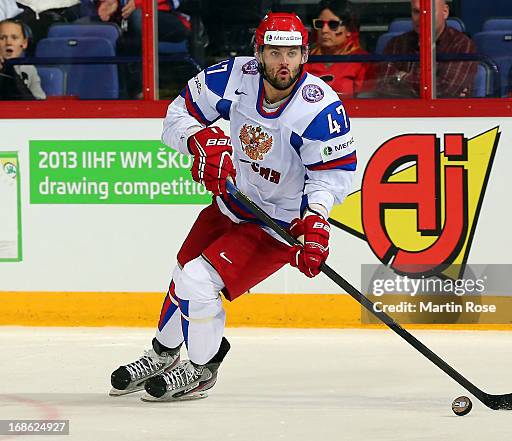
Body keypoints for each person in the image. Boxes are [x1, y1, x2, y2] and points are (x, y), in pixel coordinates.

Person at [109, 12, 356, 402]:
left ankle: (202, 369)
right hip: (233, 201)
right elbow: (177, 116)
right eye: (274, 52)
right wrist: (200, 142)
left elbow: (333, 175)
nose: (284, 63)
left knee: (198, 280)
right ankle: (163, 353)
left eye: (292, 53)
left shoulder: (319, 107)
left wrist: (316, 222)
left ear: (305, 55)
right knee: (182, 275)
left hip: (278, 223)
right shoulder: (233, 77)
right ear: (258, 53)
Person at [378, 0, 477, 98]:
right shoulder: (396, 43)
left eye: (429, 11)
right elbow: (382, 87)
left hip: (445, 112)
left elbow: (445, 90)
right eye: (416, 12)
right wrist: (431, 83)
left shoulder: (461, 44)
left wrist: (400, 77)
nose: (421, 18)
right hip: (402, 111)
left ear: (445, 12)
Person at [305, 0, 373, 97]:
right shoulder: (305, 59)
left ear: (349, 29)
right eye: (319, 24)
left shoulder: (363, 63)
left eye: (333, 24)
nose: (324, 30)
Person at [0, 18, 45, 99]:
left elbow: (39, 100)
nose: (8, 43)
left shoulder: (29, 69)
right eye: (2, 38)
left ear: (24, 43)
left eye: (14, 38)